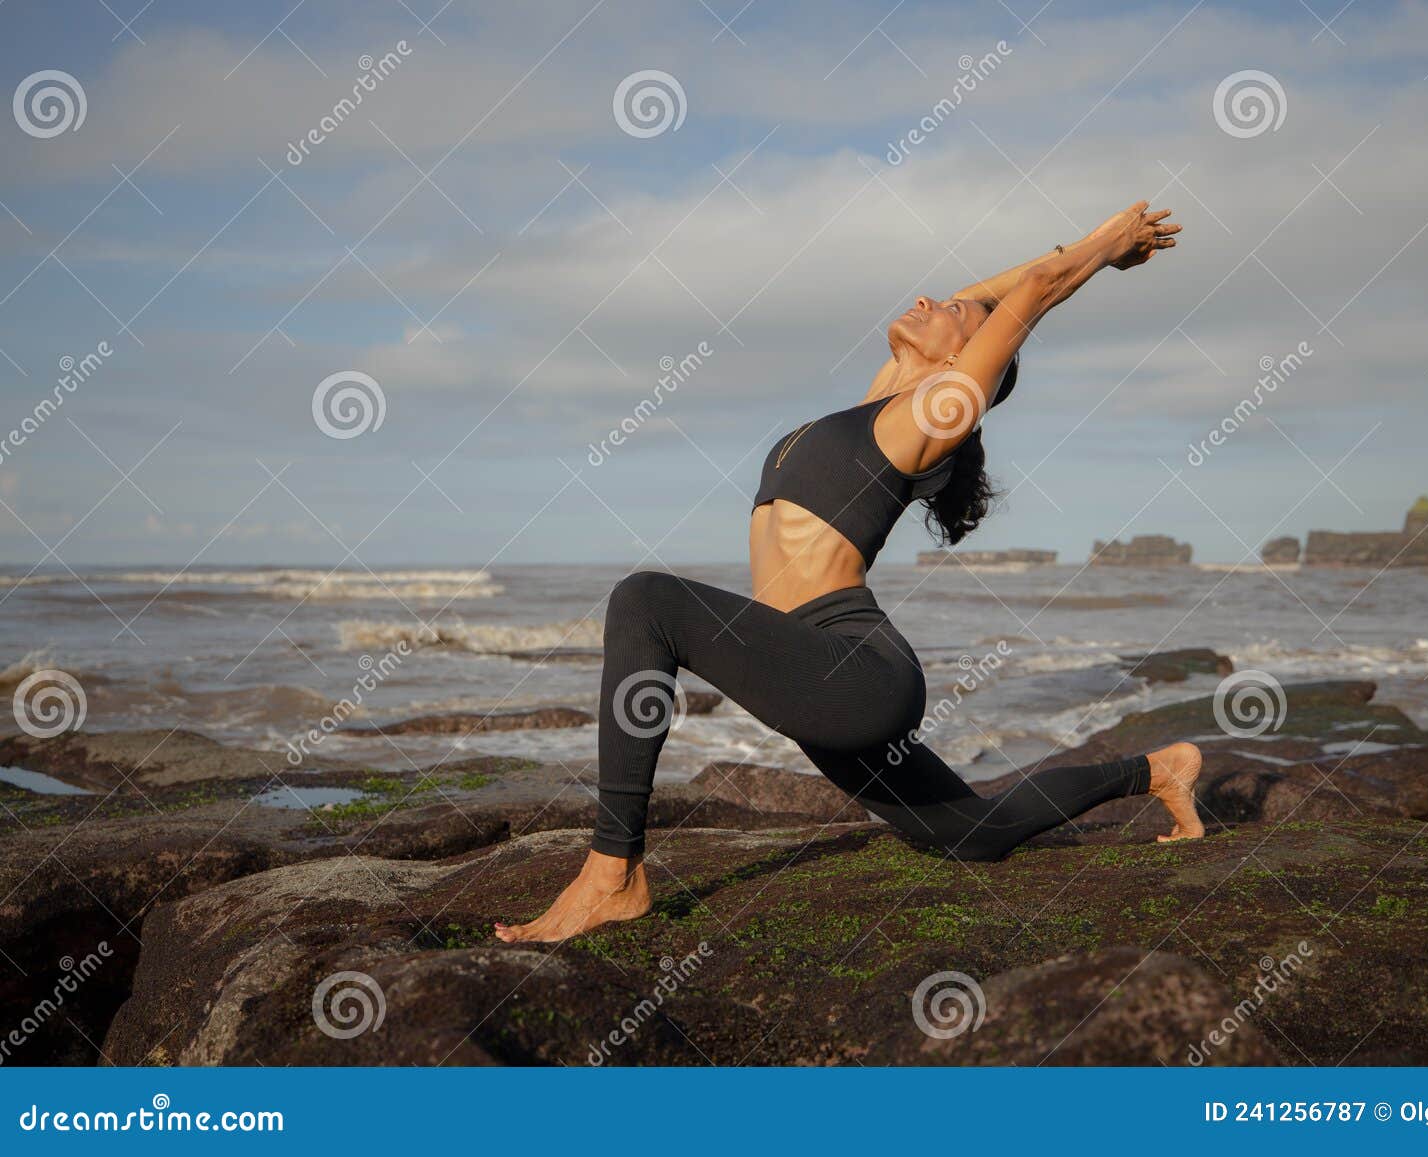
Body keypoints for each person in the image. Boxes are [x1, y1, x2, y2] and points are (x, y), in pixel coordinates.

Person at [496, 201, 1194, 943]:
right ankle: (1161, 770)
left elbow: (1031, 293)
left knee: (645, 602)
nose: (932, 298)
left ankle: (614, 874)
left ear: (973, 356)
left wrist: (1106, 244)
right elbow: (995, 293)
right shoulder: (883, 403)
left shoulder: (939, 411)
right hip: (811, 667)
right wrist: (1031, 273)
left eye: (953, 310)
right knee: (970, 830)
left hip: (856, 672)